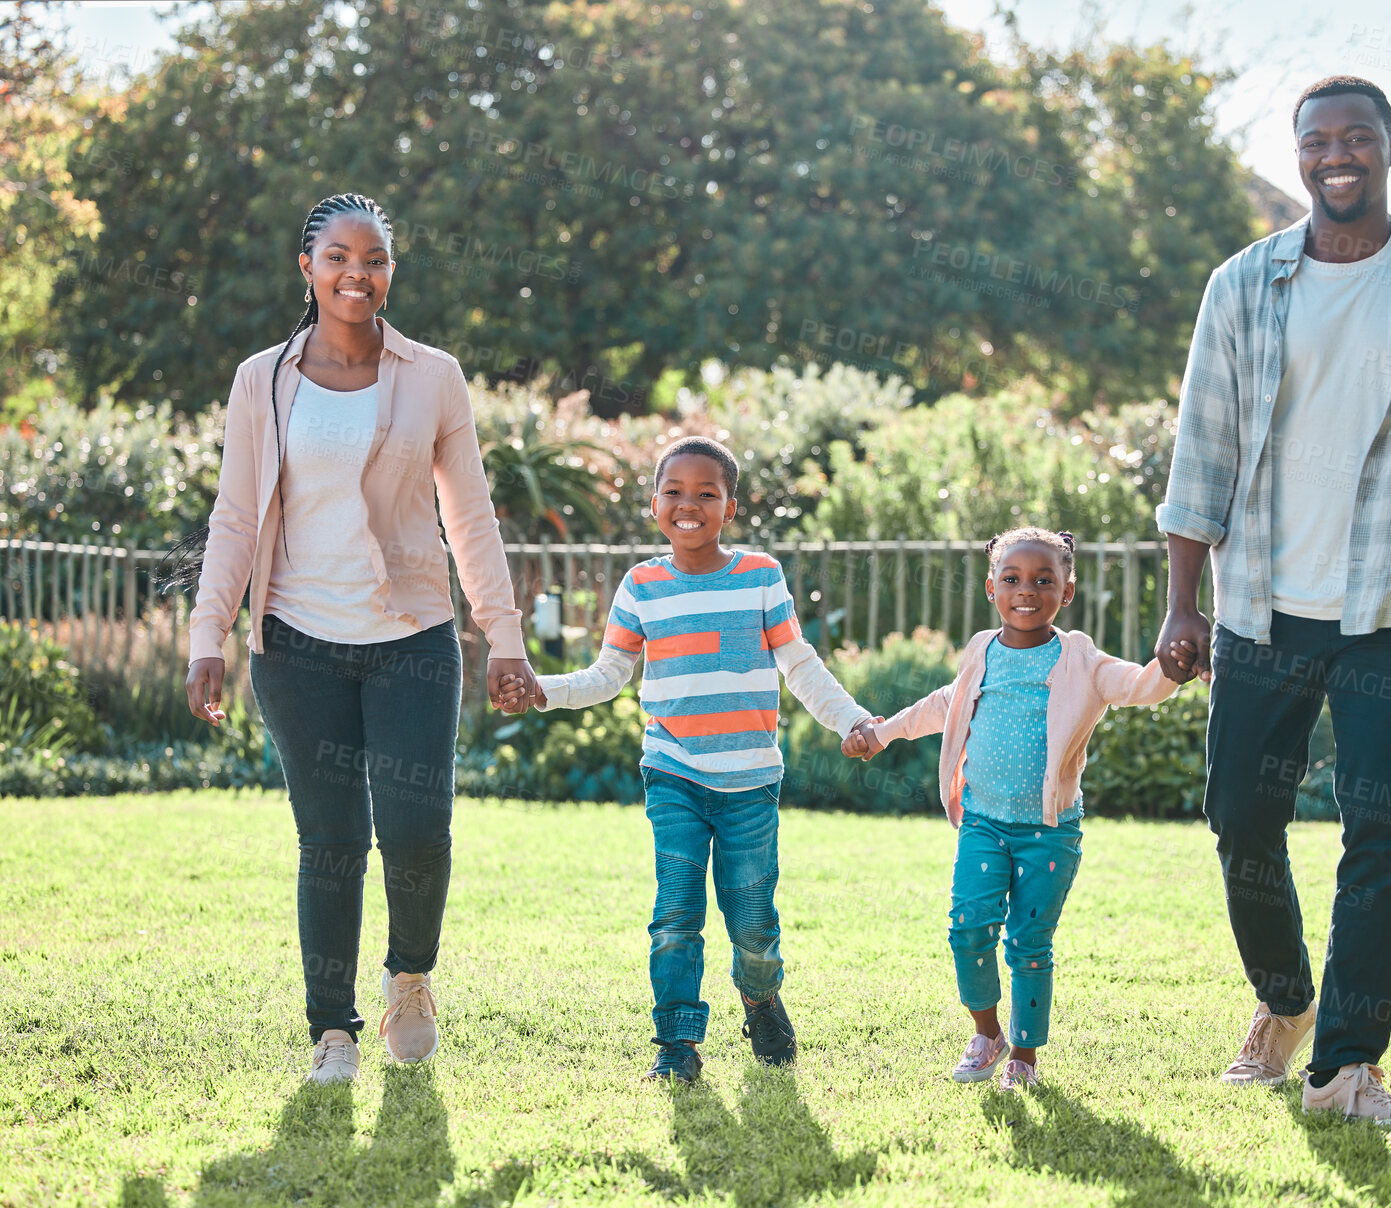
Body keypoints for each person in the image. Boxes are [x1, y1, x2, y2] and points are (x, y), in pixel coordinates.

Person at [1152, 76, 1391, 1125]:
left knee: (1383, 835)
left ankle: (1346, 1067)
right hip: (1260, 603)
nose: (1336, 154)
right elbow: (1198, 449)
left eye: (1357, 137)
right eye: (1318, 141)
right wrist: (1183, 601)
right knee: (1241, 818)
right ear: (1298, 154)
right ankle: (1287, 1000)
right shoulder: (1244, 284)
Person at [184, 192, 537, 1085]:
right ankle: (333, 1031)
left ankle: (409, 976)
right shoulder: (261, 379)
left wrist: (503, 634)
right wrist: (208, 634)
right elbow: (233, 516)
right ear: (306, 267)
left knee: (418, 831)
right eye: (339, 256)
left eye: (375, 258)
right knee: (330, 839)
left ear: (390, 271)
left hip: (411, 634)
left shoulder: (432, 376)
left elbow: (472, 515)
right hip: (296, 644)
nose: (358, 272)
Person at [499, 436, 878, 1084]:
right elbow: (610, 672)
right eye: (675, 491)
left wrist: (852, 719)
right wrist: (544, 690)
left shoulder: (760, 576)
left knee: (753, 917)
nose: (689, 504)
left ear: (730, 508)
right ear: (654, 505)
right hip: (673, 772)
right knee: (677, 912)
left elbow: (799, 664)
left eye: (707, 493)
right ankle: (677, 1044)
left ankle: (759, 996)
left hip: (751, 780)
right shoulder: (642, 585)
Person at [844, 527, 1187, 1090]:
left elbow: (1140, 686)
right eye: (1012, 579)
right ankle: (988, 1033)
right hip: (982, 822)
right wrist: (883, 733)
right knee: (968, 928)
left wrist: (1173, 665)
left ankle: (1024, 1058)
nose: (1026, 590)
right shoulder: (981, 651)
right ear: (991, 588)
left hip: (1048, 833)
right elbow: (946, 706)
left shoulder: (1081, 660)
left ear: (1067, 591)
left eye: (1043, 580)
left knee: (1029, 945)